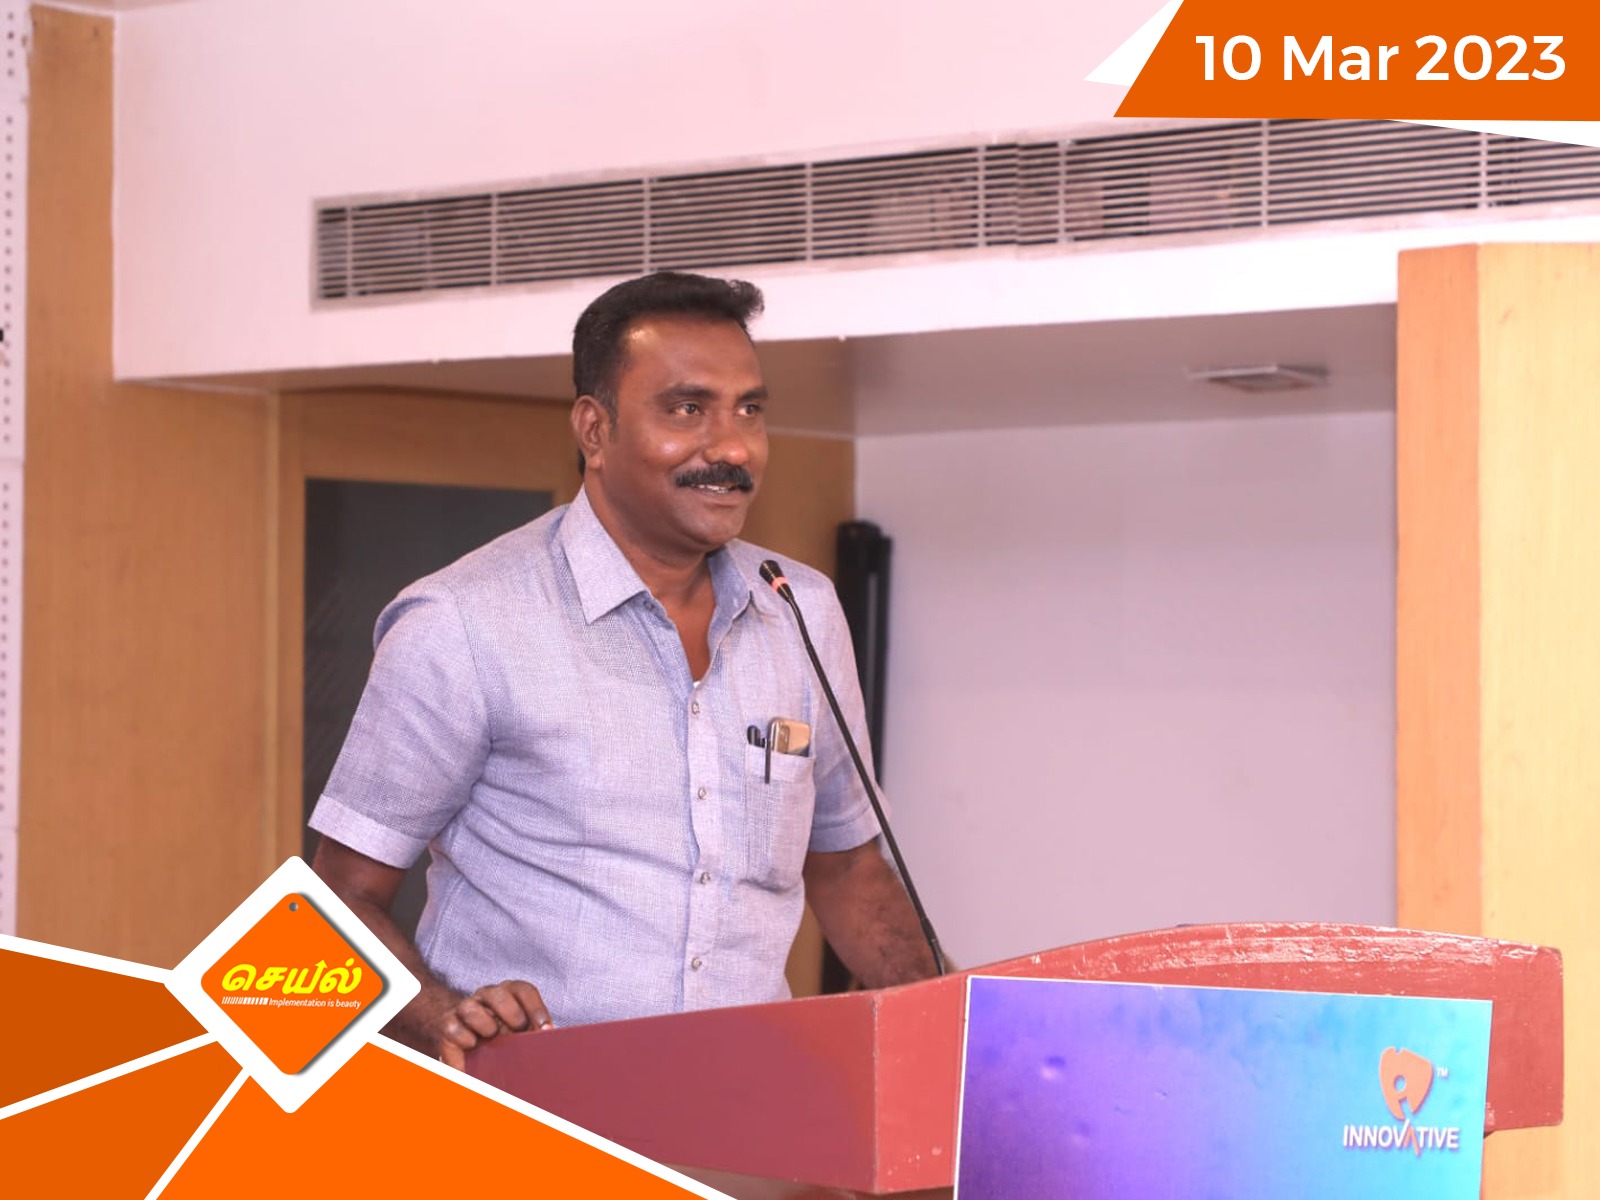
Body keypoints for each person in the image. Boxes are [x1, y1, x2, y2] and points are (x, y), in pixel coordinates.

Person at [310, 271, 937, 1068]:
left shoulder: (801, 610)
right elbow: (335, 902)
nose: (733, 448)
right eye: (687, 409)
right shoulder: (462, 623)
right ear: (594, 430)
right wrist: (444, 1019)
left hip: (751, 1104)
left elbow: (847, 867)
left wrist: (950, 1045)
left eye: (749, 409)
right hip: (532, 1113)